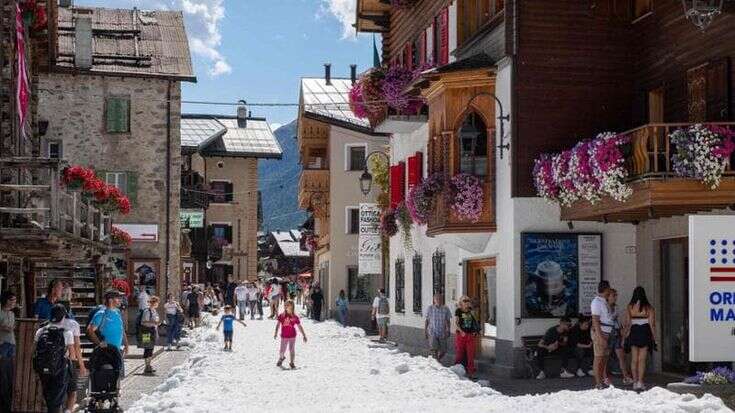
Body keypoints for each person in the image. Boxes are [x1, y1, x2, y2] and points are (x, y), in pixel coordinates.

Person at [34, 305, 75, 413]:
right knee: (57, 400)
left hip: (43, 370)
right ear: (63, 317)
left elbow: (33, 351)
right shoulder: (67, 333)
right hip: (60, 370)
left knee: (48, 398)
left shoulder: (40, 331)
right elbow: (72, 356)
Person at [87, 290, 129, 378]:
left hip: (117, 352)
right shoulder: (101, 314)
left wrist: (126, 344)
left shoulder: (117, 312)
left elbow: (121, 329)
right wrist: (99, 343)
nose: (120, 300)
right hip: (105, 353)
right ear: (110, 300)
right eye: (118, 298)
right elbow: (90, 330)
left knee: (118, 378)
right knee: (106, 377)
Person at [626, 286, 656, 391]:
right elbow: (652, 324)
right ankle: (640, 382)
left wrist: (625, 336)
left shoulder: (630, 307)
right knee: (641, 360)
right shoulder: (649, 307)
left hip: (634, 332)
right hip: (645, 332)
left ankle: (634, 382)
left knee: (634, 359)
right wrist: (654, 337)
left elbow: (628, 323)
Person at [59, 303, 87, 413]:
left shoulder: (48, 323)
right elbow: (77, 346)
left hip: (53, 361)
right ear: (68, 311)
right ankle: (68, 411)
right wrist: (82, 365)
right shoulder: (73, 324)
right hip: (70, 361)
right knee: (72, 391)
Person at [607, 288, 633, 385]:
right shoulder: (604, 307)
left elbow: (617, 320)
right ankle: (605, 377)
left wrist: (623, 331)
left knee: (621, 356)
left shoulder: (616, 307)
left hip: (617, 332)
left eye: (616, 295)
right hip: (608, 333)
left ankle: (625, 376)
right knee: (605, 356)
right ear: (608, 296)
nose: (615, 298)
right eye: (613, 295)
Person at [591, 280, 613, 389]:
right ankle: (598, 382)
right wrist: (600, 336)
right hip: (601, 332)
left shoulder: (603, 301)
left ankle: (602, 379)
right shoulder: (596, 302)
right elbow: (595, 320)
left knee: (604, 357)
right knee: (598, 358)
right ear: (605, 289)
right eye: (609, 289)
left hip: (607, 332)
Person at [273, 300, 307, 369]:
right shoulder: (281, 316)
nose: (285, 306)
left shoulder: (295, 316)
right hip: (284, 336)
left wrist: (304, 335)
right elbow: (278, 325)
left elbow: (299, 326)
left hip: (292, 336)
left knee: (292, 349)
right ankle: (281, 358)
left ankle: (292, 362)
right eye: (285, 305)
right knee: (282, 350)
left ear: (292, 306)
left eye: (287, 305)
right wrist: (276, 333)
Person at [454, 296, 481, 379]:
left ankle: (471, 373)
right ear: (461, 302)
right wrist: (461, 331)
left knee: (470, 355)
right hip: (461, 335)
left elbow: (475, 322)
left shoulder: (471, 311)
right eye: (464, 300)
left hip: (470, 335)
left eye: (468, 300)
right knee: (459, 354)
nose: (466, 302)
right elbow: (456, 323)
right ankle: (456, 372)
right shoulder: (458, 311)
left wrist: (475, 331)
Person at [0, 292, 17, 413]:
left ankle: (7, 405)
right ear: (6, 300)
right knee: (3, 376)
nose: (14, 302)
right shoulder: (0, 312)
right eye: (12, 300)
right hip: (2, 344)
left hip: (11, 344)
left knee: (10, 375)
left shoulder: (12, 313)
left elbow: (11, 327)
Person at [424, 293, 452, 361]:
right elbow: (427, 320)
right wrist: (425, 331)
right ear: (434, 300)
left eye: (440, 299)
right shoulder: (430, 308)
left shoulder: (446, 309)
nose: (439, 301)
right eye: (437, 299)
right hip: (432, 331)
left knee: (444, 350)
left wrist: (448, 330)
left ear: (442, 300)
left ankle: (437, 360)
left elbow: (448, 320)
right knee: (434, 349)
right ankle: (436, 362)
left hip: (442, 332)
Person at [139, 296, 161, 375]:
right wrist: (154, 323)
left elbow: (155, 322)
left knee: (151, 348)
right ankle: (147, 366)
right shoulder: (147, 311)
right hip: (146, 331)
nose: (158, 304)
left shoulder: (154, 311)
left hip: (152, 331)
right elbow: (144, 322)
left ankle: (149, 365)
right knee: (147, 348)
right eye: (157, 302)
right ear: (154, 303)